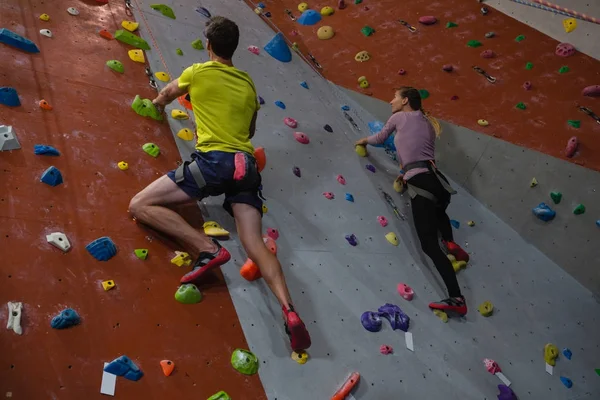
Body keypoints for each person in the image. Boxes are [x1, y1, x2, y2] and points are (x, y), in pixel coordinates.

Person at [128, 16, 311, 350]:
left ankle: (207, 249)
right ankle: (290, 309)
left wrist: (154, 105)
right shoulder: (248, 84)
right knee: (254, 242)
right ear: (234, 48)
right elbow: (251, 130)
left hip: (215, 162)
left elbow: (167, 94)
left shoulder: (198, 71)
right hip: (248, 167)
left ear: (208, 44)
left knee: (139, 205)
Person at [355, 86, 469, 316]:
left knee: (428, 245)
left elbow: (380, 138)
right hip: (437, 182)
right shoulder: (426, 123)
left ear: (405, 100)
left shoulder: (400, 117)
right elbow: (417, 153)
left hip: (421, 184)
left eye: (395, 97)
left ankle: (457, 298)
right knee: (438, 210)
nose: (391, 101)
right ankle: (449, 241)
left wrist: (364, 140)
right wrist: (405, 172)